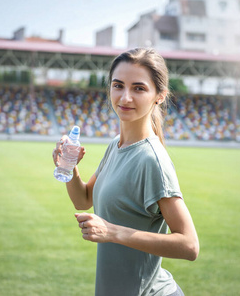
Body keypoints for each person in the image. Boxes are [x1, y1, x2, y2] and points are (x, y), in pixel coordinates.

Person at [52, 48, 199, 296]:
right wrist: (69, 168)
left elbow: (189, 245)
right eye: (118, 85)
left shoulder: (151, 160)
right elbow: (83, 199)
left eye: (139, 88)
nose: (125, 97)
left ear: (159, 96)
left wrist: (112, 232)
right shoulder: (116, 144)